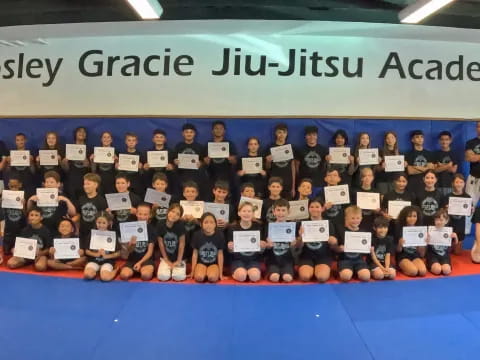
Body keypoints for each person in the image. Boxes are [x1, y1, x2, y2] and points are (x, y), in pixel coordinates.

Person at [297, 198, 337, 283]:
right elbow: (298, 246)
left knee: (322, 278)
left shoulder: (328, 223)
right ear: (308, 209)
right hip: (306, 256)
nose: (314, 209)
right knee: (305, 277)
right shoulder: (303, 223)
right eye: (312, 207)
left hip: (323, 256)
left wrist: (333, 242)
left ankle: (318, 269)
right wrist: (300, 237)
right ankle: (311, 269)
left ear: (322, 208)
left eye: (317, 207)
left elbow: (333, 246)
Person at [226, 202, 266, 282]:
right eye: (244, 211)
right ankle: (238, 273)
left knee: (254, 277)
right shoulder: (232, 228)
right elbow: (230, 251)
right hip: (237, 260)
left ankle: (248, 272)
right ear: (239, 213)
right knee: (242, 276)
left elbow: (261, 251)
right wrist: (230, 247)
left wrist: (263, 247)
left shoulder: (258, 227)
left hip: (253, 260)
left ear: (253, 214)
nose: (246, 214)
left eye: (249, 211)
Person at [7, 207, 52, 271]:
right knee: (10, 264)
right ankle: (28, 262)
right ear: (28, 217)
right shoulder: (24, 230)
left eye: (36, 215)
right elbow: (18, 245)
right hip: (26, 255)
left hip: (40, 255)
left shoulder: (46, 231)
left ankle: (35, 262)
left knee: (40, 267)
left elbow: (49, 248)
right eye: (31, 215)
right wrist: (14, 250)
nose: (33, 217)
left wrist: (41, 253)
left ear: (41, 218)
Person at [265, 199, 299, 283]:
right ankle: (271, 272)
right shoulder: (268, 227)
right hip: (272, 261)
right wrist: (267, 245)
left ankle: (287, 271)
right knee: (274, 277)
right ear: (274, 211)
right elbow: (264, 249)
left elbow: (296, 250)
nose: (280, 213)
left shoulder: (293, 227)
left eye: (283, 210)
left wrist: (294, 245)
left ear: (288, 211)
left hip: (288, 261)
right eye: (278, 210)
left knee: (287, 278)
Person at [119, 203, 156, 281]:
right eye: (140, 214)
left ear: (149, 215)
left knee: (146, 276)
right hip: (132, 259)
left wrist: (140, 263)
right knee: (124, 275)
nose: (142, 217)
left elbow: (150, 252)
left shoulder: (152, 229)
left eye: (145, 214)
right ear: (136, 214)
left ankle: (142, 269)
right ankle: (131, 270)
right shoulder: (130, 227)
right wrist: (132, 245)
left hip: (146, 260)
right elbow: (129, 250)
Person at [333, 205, 371, 282]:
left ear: (361, 219)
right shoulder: (340, 230)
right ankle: (348, 271)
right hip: (344, 260)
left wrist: (368, 249)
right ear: (346, 218)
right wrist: (339, 248)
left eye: (358, 218)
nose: (355, 220)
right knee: (345, 277)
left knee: (366, 277)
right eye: (352, 218)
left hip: (359, 260)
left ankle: (355, 271)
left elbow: (365, 252)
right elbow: (335, 248)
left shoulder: (363, 232)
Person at [173, 123, 208, 200]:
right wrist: (175, 162)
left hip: (196, 178)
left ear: (194, 134)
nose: (189, 134)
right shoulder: (178, 146)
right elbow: (174, 160)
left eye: (191, 132)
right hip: (182, 178)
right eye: (186, 132)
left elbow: (204, 162)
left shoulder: (200, 147)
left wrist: (201, 163)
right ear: (183, 134)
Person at [84, 211, 120, 281]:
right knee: (88, 275)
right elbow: (87, 251)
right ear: (95, 222)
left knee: (105, 278)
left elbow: (118, 253)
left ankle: (115, 270)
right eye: (99, 223)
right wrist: (96, 254)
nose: (101, 225)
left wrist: (106, 256)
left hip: (107, 261)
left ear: (108, 223)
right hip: (94, 260)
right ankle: (97, 271)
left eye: (104, 223)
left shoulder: (113, 235)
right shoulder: (92, 234)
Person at [442, 174, 472, 255]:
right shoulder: (447, 196)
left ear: (464, 183)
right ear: (453, 183)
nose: (459, 184)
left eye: (461, 182)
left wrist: (471, 210)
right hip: (449, 226)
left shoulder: (467, 197)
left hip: (460, 227)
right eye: (457, 182)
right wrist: (445, 209)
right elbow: (442, 214)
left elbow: (469, 215)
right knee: (447, 252)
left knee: (458, 253)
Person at [204, 121, 238, 192]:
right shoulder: (208, 145)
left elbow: (235, 162)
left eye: (221, 128)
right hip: (212, 176)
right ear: (212, 131)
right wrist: (206, 161)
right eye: (216, 128)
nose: (218, 130)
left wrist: (231, 159)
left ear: (224, 131)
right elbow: (203, 163)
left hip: (227, 176)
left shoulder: (229, 144)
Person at [191, 212, 225, 283]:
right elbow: (195, 254)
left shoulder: (220, 235)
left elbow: (220, 255)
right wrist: (192, 271)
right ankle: (203, 272)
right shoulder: (196, 235)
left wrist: (221, 274)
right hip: (201, 263)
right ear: (201, 224)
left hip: (214, 264)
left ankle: (209, 272)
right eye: (206, 222)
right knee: (199, 277)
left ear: (215, 224)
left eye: (211, 222)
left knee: (212, 278)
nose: (209, 225)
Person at [157, 203, 187, 281]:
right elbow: (160, 243)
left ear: (180, 217)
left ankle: (176, 268)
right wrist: (166, 259)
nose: (174, 215)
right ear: (168, 211)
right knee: (162, 276)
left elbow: (182, 244)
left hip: (179, 256)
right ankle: (169, 268)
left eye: (177, 214)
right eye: (172, 211)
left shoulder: (180, 225)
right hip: (166, 256)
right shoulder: (160, 223)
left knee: (178, 277)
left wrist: (179, 260)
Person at [265, 123, 296, 199]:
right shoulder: (270, 147)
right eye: (279, 132)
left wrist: (293, 187)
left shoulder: (291, 147)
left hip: (287, 183)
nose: (281, 135)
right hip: (274, 183)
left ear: (286, 134)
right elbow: (267, 168)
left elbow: (293, 167)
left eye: (284, 132)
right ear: (276, 133)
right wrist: (268, 161)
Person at [395, 205, 427, 277]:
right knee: (413, 271)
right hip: (403, 256)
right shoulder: (399, 229)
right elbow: (397, 251)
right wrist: (400, 244)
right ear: (405, 217)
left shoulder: (420, 230)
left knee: (422, 271)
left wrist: (423, 243)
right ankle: (402, 267)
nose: (412, 218)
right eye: (409, 216)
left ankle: (409, 266)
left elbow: (422, 254)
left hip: (415, 255)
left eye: (414, 216)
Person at [295, 126, 328, 197]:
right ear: (306, 136)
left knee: (317, 205)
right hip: (304, 183)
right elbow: (296, 167)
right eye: (309, 135)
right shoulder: (300, 149)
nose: (311, 137)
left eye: (314, 135)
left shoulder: (323, 149)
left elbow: (327, 167)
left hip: (319, 183)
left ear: (317, 136)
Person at [77, 173, 108, 247]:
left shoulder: (102, 200)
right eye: (84, 184)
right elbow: (78, 214)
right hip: (83, 233)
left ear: (96, 185)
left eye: (88, 184)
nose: (85, 186)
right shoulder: (81, 199)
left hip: (96, 233)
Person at [61, 126, 91, 202]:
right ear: (75, 134)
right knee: (72, 201)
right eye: (79, 131)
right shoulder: (68, 149)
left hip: (85, 180)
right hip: (71, 180)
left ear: (86, 135)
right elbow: (65, 169)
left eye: (84, 132)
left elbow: (92, 170)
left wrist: (87, 165)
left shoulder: (90, 149)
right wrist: (64, 163)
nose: (82, 133)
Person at [426, 209, 458, 276]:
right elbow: (425, 246)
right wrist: (426, 239)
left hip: (445, 256)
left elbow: (455, 244)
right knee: (437, 270)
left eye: (441, 220)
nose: (438, 222)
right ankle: (429, 265)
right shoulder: (430, 230)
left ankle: (440, 265)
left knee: (446, 271)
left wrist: (455, 237)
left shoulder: (449, 232)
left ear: (446, 221)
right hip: (432, 255)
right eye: (437, 220)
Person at [0, 176, 26, 255]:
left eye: (16, 186)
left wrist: (23, 206)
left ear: (20, 185)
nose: (14, 189)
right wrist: (1, 203)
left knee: (18, 253)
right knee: (6, 253)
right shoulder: (4, 197)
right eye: (12, 186)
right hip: (8, 232)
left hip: (20, 231)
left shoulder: (24, 197)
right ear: (8, 185)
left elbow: (26, 216)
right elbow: (2, 215)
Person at [376, 131, 404, 195]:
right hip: (382, 181)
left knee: (393, 200)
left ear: (395, 139)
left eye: (392, 137)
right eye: (388, 138)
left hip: (395, 181)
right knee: (383, 201)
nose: (390, 140)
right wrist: (381, 167)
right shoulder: (380, 152)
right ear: (385, 140)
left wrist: (404, 165)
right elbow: (376, 169)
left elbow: (402, 169)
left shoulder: (400, 153)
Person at [118, 132, 145, 198]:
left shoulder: (141, 155)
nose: (131, 142)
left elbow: (143, 173)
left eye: (133, 140)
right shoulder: (121, 154)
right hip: (124, 184)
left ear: (136, 142)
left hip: (137, 183)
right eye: (129, 140)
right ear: (125, 142)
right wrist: (117, 168)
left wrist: (141, 168)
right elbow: (119, 172)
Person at [91, 131, 118, 195]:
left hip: (112, 181)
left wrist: (117, 161)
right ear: (101, 139)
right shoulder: (96, 152)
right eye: (104, 137)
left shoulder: (116, 152)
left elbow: (118, 171)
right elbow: (93, 171)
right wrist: (92, 161)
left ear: (111, 140)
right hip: (99, 181)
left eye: (108, 137)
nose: (106, 139)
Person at [434, 131, 457, 196]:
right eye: (442, 139)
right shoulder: (436, 154)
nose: (444, 142)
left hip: (450, 184)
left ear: (450, 140)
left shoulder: (454, 154)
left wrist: (441, 166)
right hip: (437, 184)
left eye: (447, 139)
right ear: (439, 141)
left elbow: (453, 170)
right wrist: (448, 165)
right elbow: (435, 170)